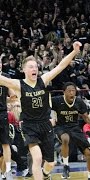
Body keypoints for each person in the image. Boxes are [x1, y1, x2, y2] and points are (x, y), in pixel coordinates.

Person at [0, 41, 82, 180]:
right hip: (29, 125)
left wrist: (74, 52)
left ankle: (45, 174)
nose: (34, 68)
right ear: (24, 70)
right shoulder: (18, 85)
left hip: (45, 125)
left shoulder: (43, 80)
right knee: (37, 158)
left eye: (36, 66)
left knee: (50, 163)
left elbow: (61, 66)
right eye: (31, 66)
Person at [51, 82, 90, 180]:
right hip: (61, 127)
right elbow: (45, 106)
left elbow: (86, 118)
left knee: (89, 154)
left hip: (75, 128)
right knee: (65, 139)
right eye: (69, 91)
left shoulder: (79, 102)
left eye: (73, 91)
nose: (71, 93)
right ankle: (66, 166)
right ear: (64, 92)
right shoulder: (56, 100)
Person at [0, 59, 15, 179]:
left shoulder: (5, 77)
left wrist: (9, 102)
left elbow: (13, 95)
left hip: (2, 113)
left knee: (5, 143)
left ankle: (7, 171)